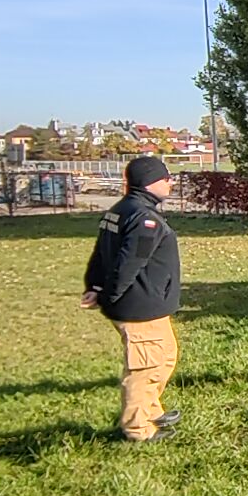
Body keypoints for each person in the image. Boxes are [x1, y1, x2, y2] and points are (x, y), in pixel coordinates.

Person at [82, 156, 181, 442]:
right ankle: (138, 428)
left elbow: (100, 252)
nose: (171, 183)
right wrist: (108, 295)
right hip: (139, 307)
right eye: (167, 178)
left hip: (149, 305)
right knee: (145, 367)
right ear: (150, 182)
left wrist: (95, 285)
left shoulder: (120, 210)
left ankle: (150, 409)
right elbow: (129, 263)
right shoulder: (144, 219)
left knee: (165, 357)